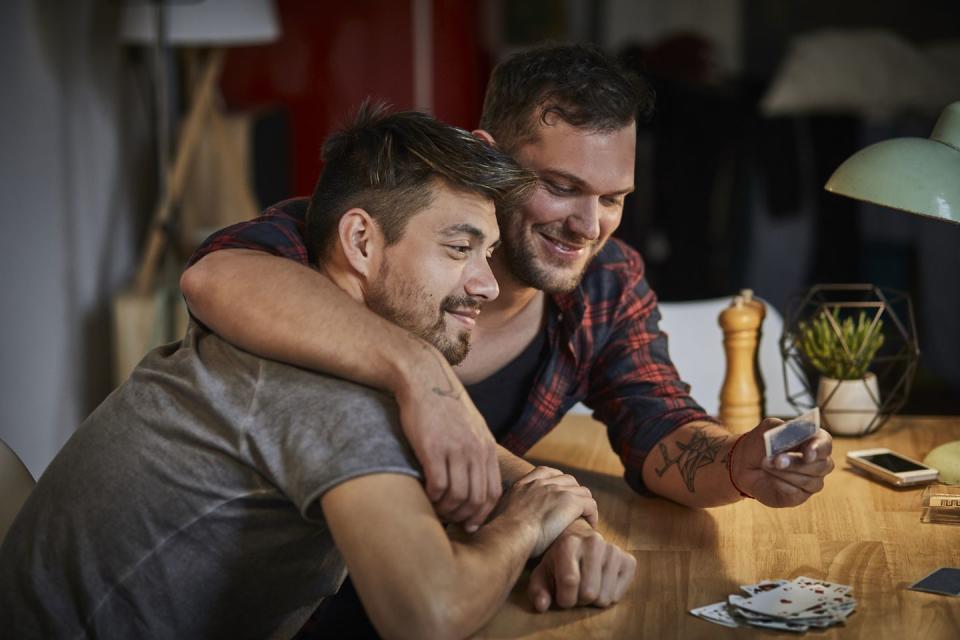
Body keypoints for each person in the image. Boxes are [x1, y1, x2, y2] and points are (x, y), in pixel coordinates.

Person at [181, 44, 835, 614]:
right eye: (560, 185)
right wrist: (422, 374)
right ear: (487, 155)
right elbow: (216, 279)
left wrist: (738, 463)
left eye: (612, 198)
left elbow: (658, 421)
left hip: (479, 579)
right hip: (280, 598)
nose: (589, 225)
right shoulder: (378, 235)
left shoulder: (604, 280)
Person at [0, 106, 613, 640]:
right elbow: (431, 614)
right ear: (362, 243)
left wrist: (549, 500)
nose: (484, 283)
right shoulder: (330, 392)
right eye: (459, 249)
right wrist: (526, 523)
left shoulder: (309, 336)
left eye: (487, 254)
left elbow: (466, 464)